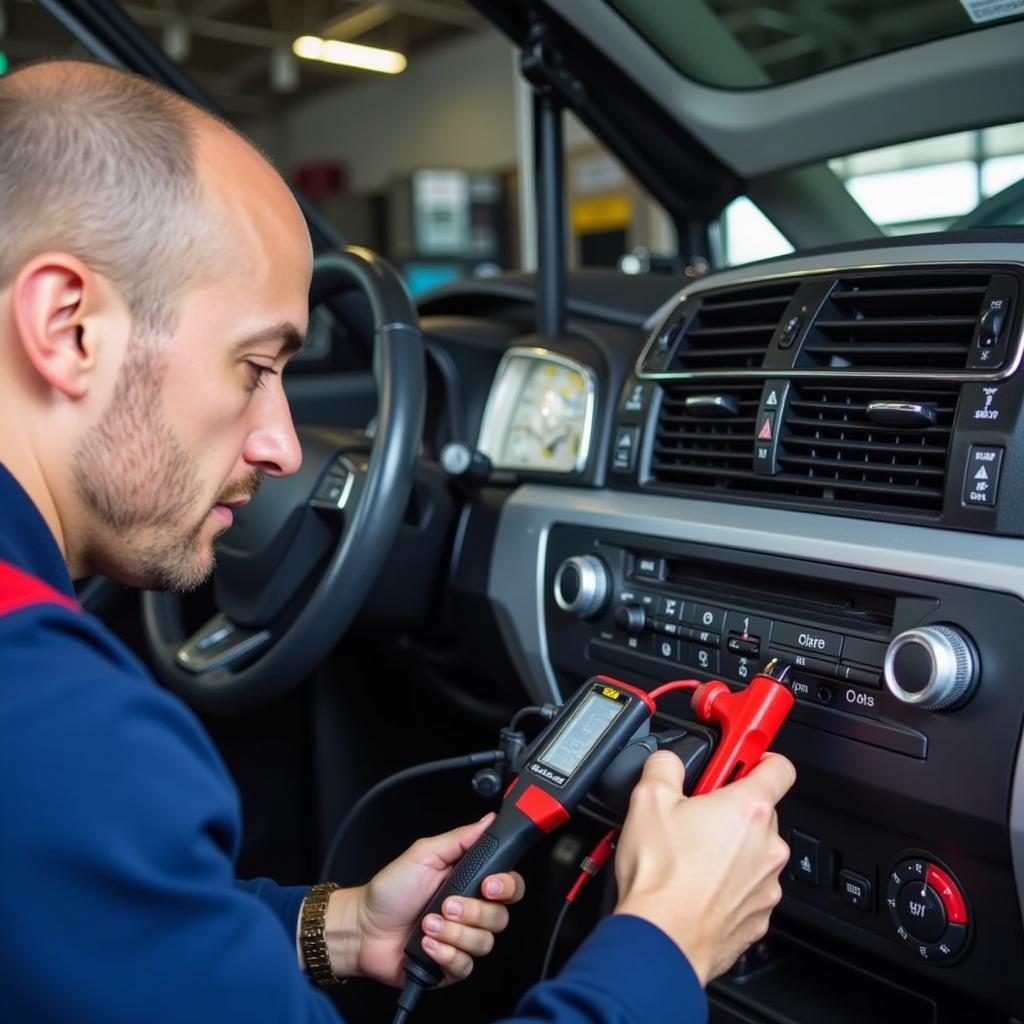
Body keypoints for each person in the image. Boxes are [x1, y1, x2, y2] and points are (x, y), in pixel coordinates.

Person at [0, 61, 795, 1024]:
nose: (283, 446)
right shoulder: (57, 728)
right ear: (67, 326)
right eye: (254, 367)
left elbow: (98, 940)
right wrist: (667, 939)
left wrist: (332, 927)